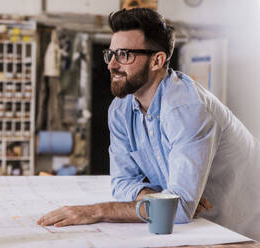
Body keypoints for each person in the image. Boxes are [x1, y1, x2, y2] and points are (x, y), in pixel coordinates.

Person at [37, 8, 260, 240]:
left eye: (124, 55)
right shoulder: (121, 110)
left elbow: (178, 209)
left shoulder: (186, 108)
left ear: (157, 60)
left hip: (248, 225)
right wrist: (156, 198)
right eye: (110, 54)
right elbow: (123, 182)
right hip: (203, 228)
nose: (112, 65)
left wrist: (97, 211)